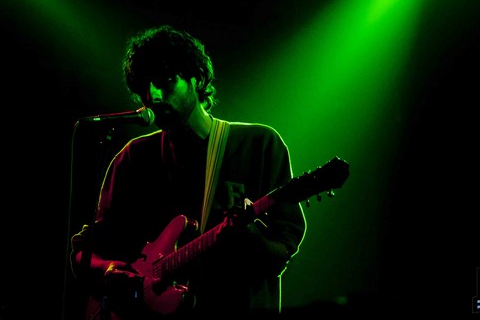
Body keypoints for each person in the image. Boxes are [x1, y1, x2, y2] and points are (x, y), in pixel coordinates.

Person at [70, 25, 307, 320]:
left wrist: (248, 235)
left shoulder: (258, 146)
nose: (153, 95)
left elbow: (282, 249)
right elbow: (84, 252)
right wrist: (108, 271)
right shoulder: (133, 158)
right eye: (144, 87)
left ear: (197, 78)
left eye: (165, 81)